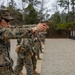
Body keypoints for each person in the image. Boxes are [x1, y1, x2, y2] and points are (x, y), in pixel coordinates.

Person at [0, 7, 48, 75]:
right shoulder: (1, 31)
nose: (9, 23)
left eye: (9, 21)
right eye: (6, 20)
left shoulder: (5, 28)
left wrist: (37, 27)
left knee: (19, 66)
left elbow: (19, 27)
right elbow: (15, 32)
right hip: (2, 70)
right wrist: (34, 29)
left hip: (6, 68)